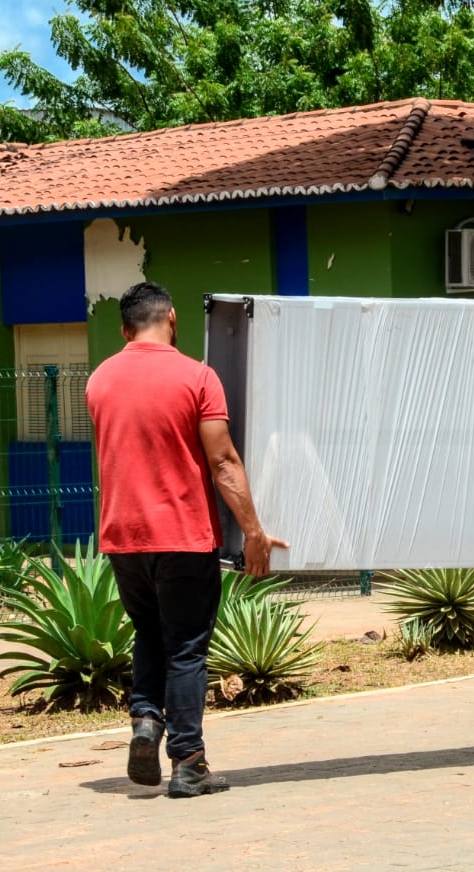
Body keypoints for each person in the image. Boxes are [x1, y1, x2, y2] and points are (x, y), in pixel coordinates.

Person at [85, 281, 287, 799]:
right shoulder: (197, 377)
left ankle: (146, 720)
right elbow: (222, 461)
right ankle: (189, 762)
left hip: (122, 538)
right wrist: (254, 532)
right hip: (181, 535)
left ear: (125, 327)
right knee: (187, 648)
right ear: (172, 318)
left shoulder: (100, 379)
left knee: (149, 632)